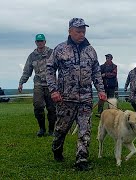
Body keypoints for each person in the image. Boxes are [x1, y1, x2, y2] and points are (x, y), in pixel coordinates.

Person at [46, 18, 107, 171]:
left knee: (84, 130)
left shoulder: (90, 50)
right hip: (65, 99)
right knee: (61, 130)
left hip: (85, 99)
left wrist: (101, 90)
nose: (81, 34)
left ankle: (82, 159)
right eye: (78, 31)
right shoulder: (60, 49)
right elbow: (49, 69)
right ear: (70, 31)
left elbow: (96, 72)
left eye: (83, 31)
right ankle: (57, 149)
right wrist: (53, 90)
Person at [18, 33, 56, 137]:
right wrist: (21, 82)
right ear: (35, 42)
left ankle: (52, 130)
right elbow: (27, 71)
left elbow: (61, 67)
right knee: (38, 106)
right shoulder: (32, 56)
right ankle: (42, 129)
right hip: (38, 84)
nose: (40, 43)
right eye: (38, 41)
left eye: (41, 41)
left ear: (45, 42)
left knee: (52, 108)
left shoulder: (52, 53)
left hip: (51, 84)